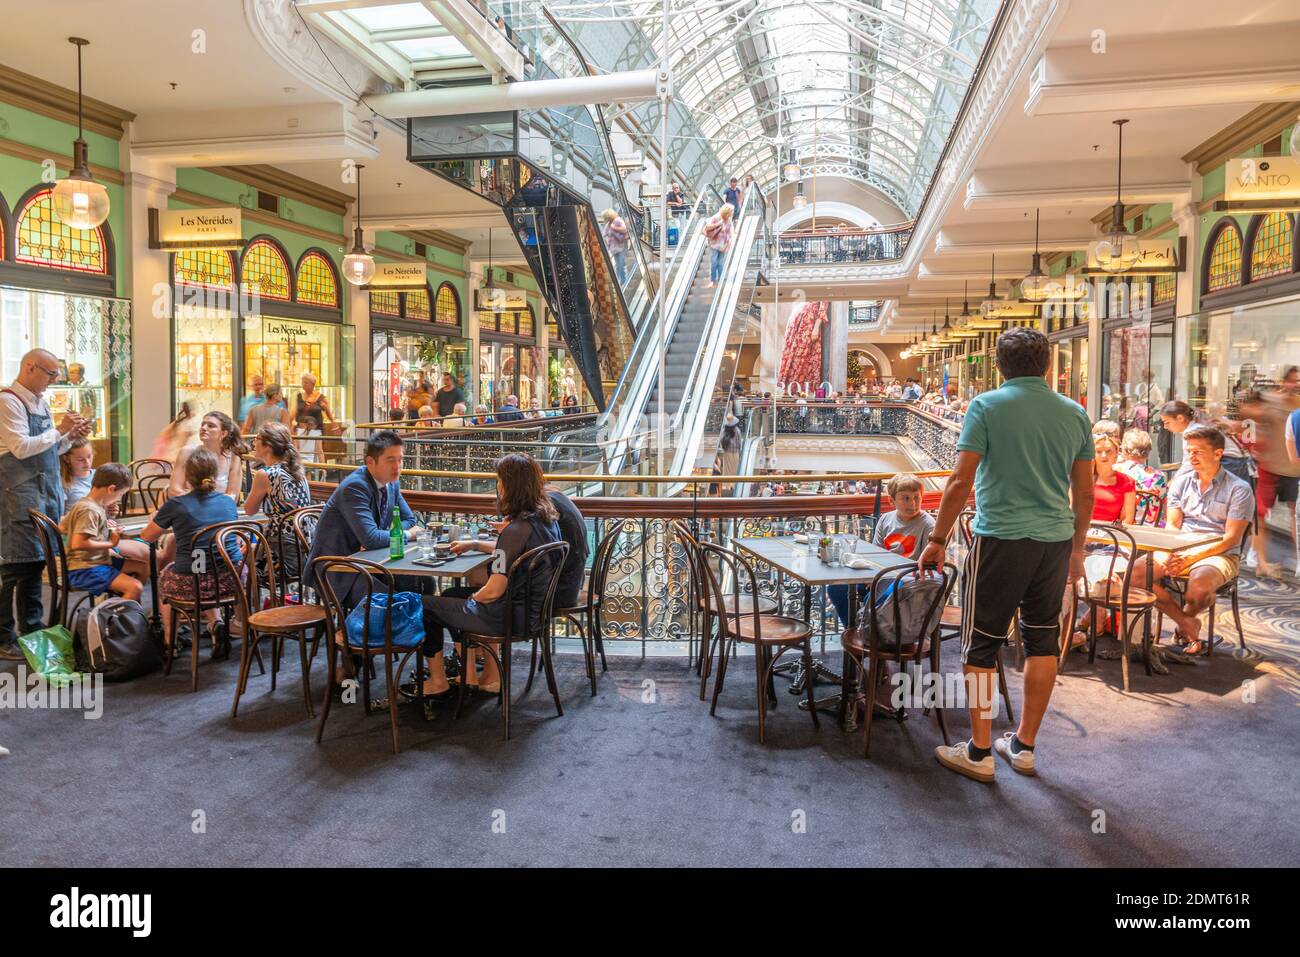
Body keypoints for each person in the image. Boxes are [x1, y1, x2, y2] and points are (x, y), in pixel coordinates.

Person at [920, 328, 1094, 783]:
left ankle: (979, 752)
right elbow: (1086, 490)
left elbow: (959, 481)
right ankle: (1024, 745)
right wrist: (1077, 549)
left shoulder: (986, 407)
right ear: (1050, 366)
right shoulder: (1074, 413)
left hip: (1000, 540)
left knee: (980, 645)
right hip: (1054, 543)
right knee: (1041, 641)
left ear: (999, 366)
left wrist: (936, 539)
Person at [419, 453, 561, 696]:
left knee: (425, 605)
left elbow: (494, 590)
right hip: (533, 614)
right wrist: (476, 544)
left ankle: (438, 681)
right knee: (453, 593)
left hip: (507, 619)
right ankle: (472, 677)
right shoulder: (545, 521)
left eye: (499, 481)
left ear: (508, 487)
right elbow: (511, 553)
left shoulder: (513, 531)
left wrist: (471, 601)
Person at [0, 349, 90, 660]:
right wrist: (60, 430)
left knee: (36, 564)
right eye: (50, 374)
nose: (54, 381)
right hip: (18, 496)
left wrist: (68, 437)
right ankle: (4, 635)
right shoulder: (8, 400)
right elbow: (21, 447)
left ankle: (32, 629)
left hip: (42, 494)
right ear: (29, 367)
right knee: (14, 567)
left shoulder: (39, 402)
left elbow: (51, 448)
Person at [1140, 424, 1253, 657]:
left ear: (1218, 454)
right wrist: (1172, 552)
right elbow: (1172, 525)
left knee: (1199, 589)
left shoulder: (1239, 489)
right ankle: (1186, 622)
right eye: (1189, 451)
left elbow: (1230, 537)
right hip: (1180, 545)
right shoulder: (1181, 483)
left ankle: (1186, 617)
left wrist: (1193, 556)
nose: (1191, 456)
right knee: (1135, 575)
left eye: (1198, 451)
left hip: (1220, 552)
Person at [301, 429, 417, 612]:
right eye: (390, 460)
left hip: (370, 562)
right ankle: (371, 638)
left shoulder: (392, 483)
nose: (398, 466)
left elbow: (410, 518)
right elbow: (371, 539)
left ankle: (409, 638)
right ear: (370, 462)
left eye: (400, 459)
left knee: (421, 584)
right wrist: (407, 535)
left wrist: (386, 535)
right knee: (392, 605)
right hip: (337, 569)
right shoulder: (355, 487)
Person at [140, 448, 241, 653]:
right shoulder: (228, 502)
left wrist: (156, 519)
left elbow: (147, 537)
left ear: (187, 475)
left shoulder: (177, 504)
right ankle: (216, 625)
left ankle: (171, 641)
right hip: (233, 580)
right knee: (203, 565)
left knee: (167, 575)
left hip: (196, 581)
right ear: (213, 475)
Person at [828, 473, 934, 628]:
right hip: (882, 576)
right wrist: (875, 577)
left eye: (916, 497)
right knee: (836, 588)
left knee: (872, 599)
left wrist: (882, 579)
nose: (912, 503)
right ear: (892, 501)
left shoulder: (928, 524)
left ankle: (870, 635)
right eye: (905, 498)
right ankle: (856, 634)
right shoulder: (886, 519)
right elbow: (877, 554)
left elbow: (925, 566)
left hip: (908, 581)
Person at [64, 462, 150, 604]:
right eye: (121, 494)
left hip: (96, 561)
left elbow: (62, 526)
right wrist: (110, 543)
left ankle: (129, 610)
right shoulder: (89, 510)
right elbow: (77, 543)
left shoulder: (89, 504)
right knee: (135, 587)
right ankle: (112, 620)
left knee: (142, 566)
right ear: (111, 489)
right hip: (85, 569)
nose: (119, 498)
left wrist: (102, 525)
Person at [243, 422, 312, 578]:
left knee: (235, 559)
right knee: (248, 548)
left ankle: (255, 602)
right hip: (305, 552)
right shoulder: (297, 472)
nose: (253, 442)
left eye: (256, 438)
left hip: (282, 556)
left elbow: (249, 510)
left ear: (268, 446)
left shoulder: (265, 474)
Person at [168, 412, 246, 502]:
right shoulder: (187, 452)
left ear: (223, 433)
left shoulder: (233, 459)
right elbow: (174, 490)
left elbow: (233, 497)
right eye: (203, 424)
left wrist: (208, 505)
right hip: (190, 509)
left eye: (211, 426)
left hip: (218, 511)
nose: (203, 428)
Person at [1115, 428, 1167, 525]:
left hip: (1123, 527)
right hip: (1153, 527)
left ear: (1124, 450)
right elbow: (1164, 506)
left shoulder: (1117, 471)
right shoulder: (1160, 476)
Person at [703, 203, 734, 288]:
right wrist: (718, 224)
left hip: (723, 244)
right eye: (731, 211)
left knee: (720, 263)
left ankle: (720, 280)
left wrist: (730, 240)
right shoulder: (716, 217)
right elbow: (707, 227)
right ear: (727, 211)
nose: (732, 213)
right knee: (714, 262)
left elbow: (731, 231)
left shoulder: (729, 220)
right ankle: (712, 280)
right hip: (714, 243)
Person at [60, 438, 95, 512]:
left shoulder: (99, 475)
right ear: (66, 459)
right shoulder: (63, 483)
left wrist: (110, 512)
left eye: (89, 456)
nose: (87, 462)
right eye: (80, 459)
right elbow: (60, 517)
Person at [599, 208, 631, 282]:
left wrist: (614, 228)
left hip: (622, 245)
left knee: (621, 264)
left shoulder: (617, 220)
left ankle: (624, 281)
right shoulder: (608, 224)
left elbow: (624, 229)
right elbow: (604, 234)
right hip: (614, 247)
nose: (605, 219)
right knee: (617, 265)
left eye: (605, 218)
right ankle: (619, 281)